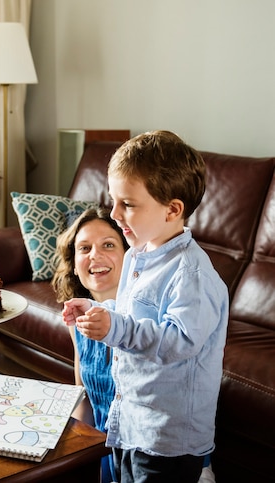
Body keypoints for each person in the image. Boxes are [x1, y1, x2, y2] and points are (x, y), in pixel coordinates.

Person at [62, 131, 228, 483]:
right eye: (114, 200)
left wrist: (115, 328)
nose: (114, 213)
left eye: (128, 204)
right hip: (131, 421)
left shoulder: (191, 274)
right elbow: (131, 318)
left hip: (166, 436)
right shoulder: (140, 254)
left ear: (173, 209)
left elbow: (179, 341)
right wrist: (97, 310)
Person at [53, 207, 129, 483]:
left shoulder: (145, 321)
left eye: (108, 245)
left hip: (147, 456)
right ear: (74, 264)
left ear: (129, 255)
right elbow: (83, 397)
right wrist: (67, 454)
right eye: (84, 248)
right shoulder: (77, 321)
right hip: (102, 452)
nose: (94, 255)